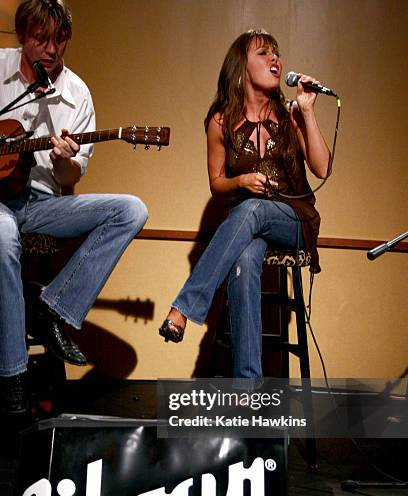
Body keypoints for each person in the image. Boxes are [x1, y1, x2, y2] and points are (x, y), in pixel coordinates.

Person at [0, 0, 148, 415]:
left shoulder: (76, 94)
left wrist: (65, 159)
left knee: (131, 210)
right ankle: (13, 381)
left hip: (41, 203)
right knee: (2, 232)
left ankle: (53, 306)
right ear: (23, 36)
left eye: (59, 39)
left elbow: (69, 180)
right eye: (40, 38)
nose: (50, 48)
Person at [159, 29, 330, 384]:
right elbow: (217, 183)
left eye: (276, 54)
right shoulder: (220, 121)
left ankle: (183, 308)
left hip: (295, 219)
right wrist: (242, 182)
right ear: (241, 67)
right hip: (249, 224)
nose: (275, 60)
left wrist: (309, 112)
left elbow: (322, 168)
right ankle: (247, 389)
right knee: (246, 255)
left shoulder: (289, 114)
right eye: (264, 54)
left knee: (252, 211)